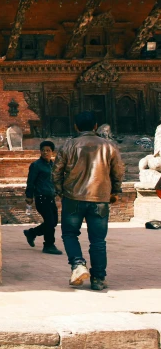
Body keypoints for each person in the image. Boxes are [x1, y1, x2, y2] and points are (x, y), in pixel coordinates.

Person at [52, 111, 124, 291]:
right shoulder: (109, 146)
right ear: (95, 126)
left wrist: (61, 191)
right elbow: (118, 171)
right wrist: (115, 191)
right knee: (98, 241)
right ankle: (98, 278)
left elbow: (56, 173)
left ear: (76, 127)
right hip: (100, 198)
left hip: (73, 197)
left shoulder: (68, 146)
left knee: (69, 234)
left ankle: (78, 265)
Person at [23, 141, 62, 255]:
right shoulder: (36, 165)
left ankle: (32, 233)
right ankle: (49, 245)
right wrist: (29, 196)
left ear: (52, 152)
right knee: (49, 222)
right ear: (40, 151)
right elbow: (30, 182)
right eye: (43, 150)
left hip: (51, 197)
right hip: (41, 197)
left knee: (53, 222)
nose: (45, 152)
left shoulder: (52, 165)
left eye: (48, 150)